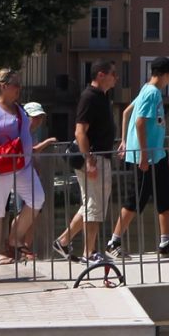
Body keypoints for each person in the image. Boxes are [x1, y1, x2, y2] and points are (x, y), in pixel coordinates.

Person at [55, 60, 120, 261]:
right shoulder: (90, 97)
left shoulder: (102, 96)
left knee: (90, 205)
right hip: (95, 158)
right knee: (95, 206)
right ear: (101, 75)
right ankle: (89, 252)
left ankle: (63, 241)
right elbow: (80, 131)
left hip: (100, 156)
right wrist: (89, 160)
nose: (116, 78)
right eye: (113, 73)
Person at [0, 70, 41, 263]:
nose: (19, 88)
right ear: (3, 86)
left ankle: (14, 237)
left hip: (21, 165)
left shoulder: (19, 109)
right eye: (15, 85)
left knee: (37, 198)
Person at [112, 57, 169, 255]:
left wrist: (124, 140)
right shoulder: (152, 92)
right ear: (167, 74)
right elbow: (139, 122)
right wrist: (143, 154)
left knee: (166, 196)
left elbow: (126, 113)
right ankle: (114, 242)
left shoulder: (145, 90)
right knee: (137, 199)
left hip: (158, 155)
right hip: (147, 156)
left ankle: (166, 243)